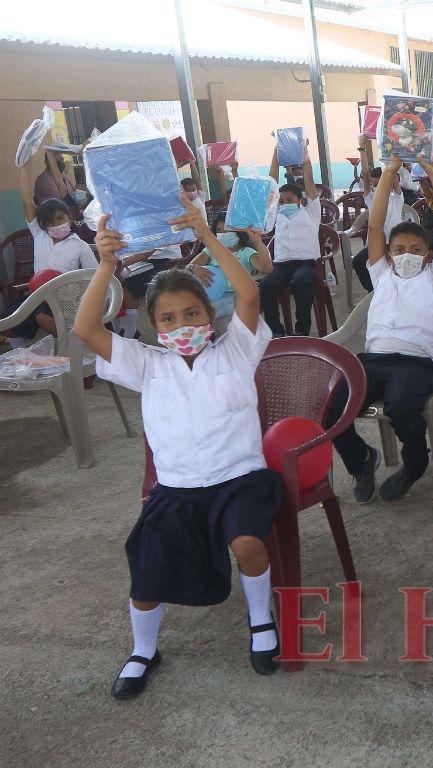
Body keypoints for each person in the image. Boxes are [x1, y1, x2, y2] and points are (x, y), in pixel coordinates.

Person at [78, 195, 284, 700]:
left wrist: (209, 237)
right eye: (167, 319)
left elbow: (250, 296)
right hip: (177, 489)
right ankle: (143, 650)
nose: (181, 324)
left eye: (192, 313)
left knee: (248, 543)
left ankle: (261, 620)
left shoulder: (236, 349)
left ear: (210, 317)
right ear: (154, 327)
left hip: (241, 479)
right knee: (145, 567)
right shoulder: (148, 365)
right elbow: (86, 328)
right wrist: (106, 265)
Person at [325, 151, 433, 503]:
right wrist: (388, 173)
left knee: (402, 407)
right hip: (373, 360)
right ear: (390, 252)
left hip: (415, 363)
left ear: (428, 254)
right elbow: (374, 226)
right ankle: (361, 460)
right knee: (331, 406)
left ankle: (415, 464)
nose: (407, 253)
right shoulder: (381, 271)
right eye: (399, 248)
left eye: (416, 248)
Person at [2, 151, 98, 347]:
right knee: (7, 322)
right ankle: (24, 358)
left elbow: (94, 277)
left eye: (60, 219)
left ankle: (77, 344)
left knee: (42, 318)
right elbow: (27, 201)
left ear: (69, 218)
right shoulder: (40, 234)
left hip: (66, 296)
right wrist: (25, 167)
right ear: (43, 225)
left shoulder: (79, 245)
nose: (56, 225)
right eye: (50, 222)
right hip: (38, 294)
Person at [259, 146, 321, 337]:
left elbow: (309, 180)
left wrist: (305, 154)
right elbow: (271, 184)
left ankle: (301, 329)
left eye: (290, 199)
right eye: (282, 200)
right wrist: (276, 154)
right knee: (267, 286)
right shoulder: (278, 214)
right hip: (281, 265)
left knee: (301, 282)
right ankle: (276, 331)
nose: (285, 203)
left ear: (300, 200)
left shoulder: (311, 211)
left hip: (306, 263)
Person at [186, 210, 272, 317]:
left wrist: (257, 242)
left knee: (208, 312)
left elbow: (267, 268)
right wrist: (194, 268)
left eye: (226, 230)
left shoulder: (246, 252)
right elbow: (187, 267)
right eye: (218, 230)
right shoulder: (211, 251)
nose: (222, 234)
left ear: (238, 231)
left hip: (235, 296)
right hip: (210, 296)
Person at [353, 142, 405, 292]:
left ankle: (398, 289)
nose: (378, 187)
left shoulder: (397, 198)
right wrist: (362, 150)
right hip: (377, 245)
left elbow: (393, 176)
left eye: (381, 183)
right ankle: (374, 291)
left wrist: (391, 156)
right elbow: (365, 174)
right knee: (358, 261)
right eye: (375, 185)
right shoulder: (371, 197)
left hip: (396, 244)